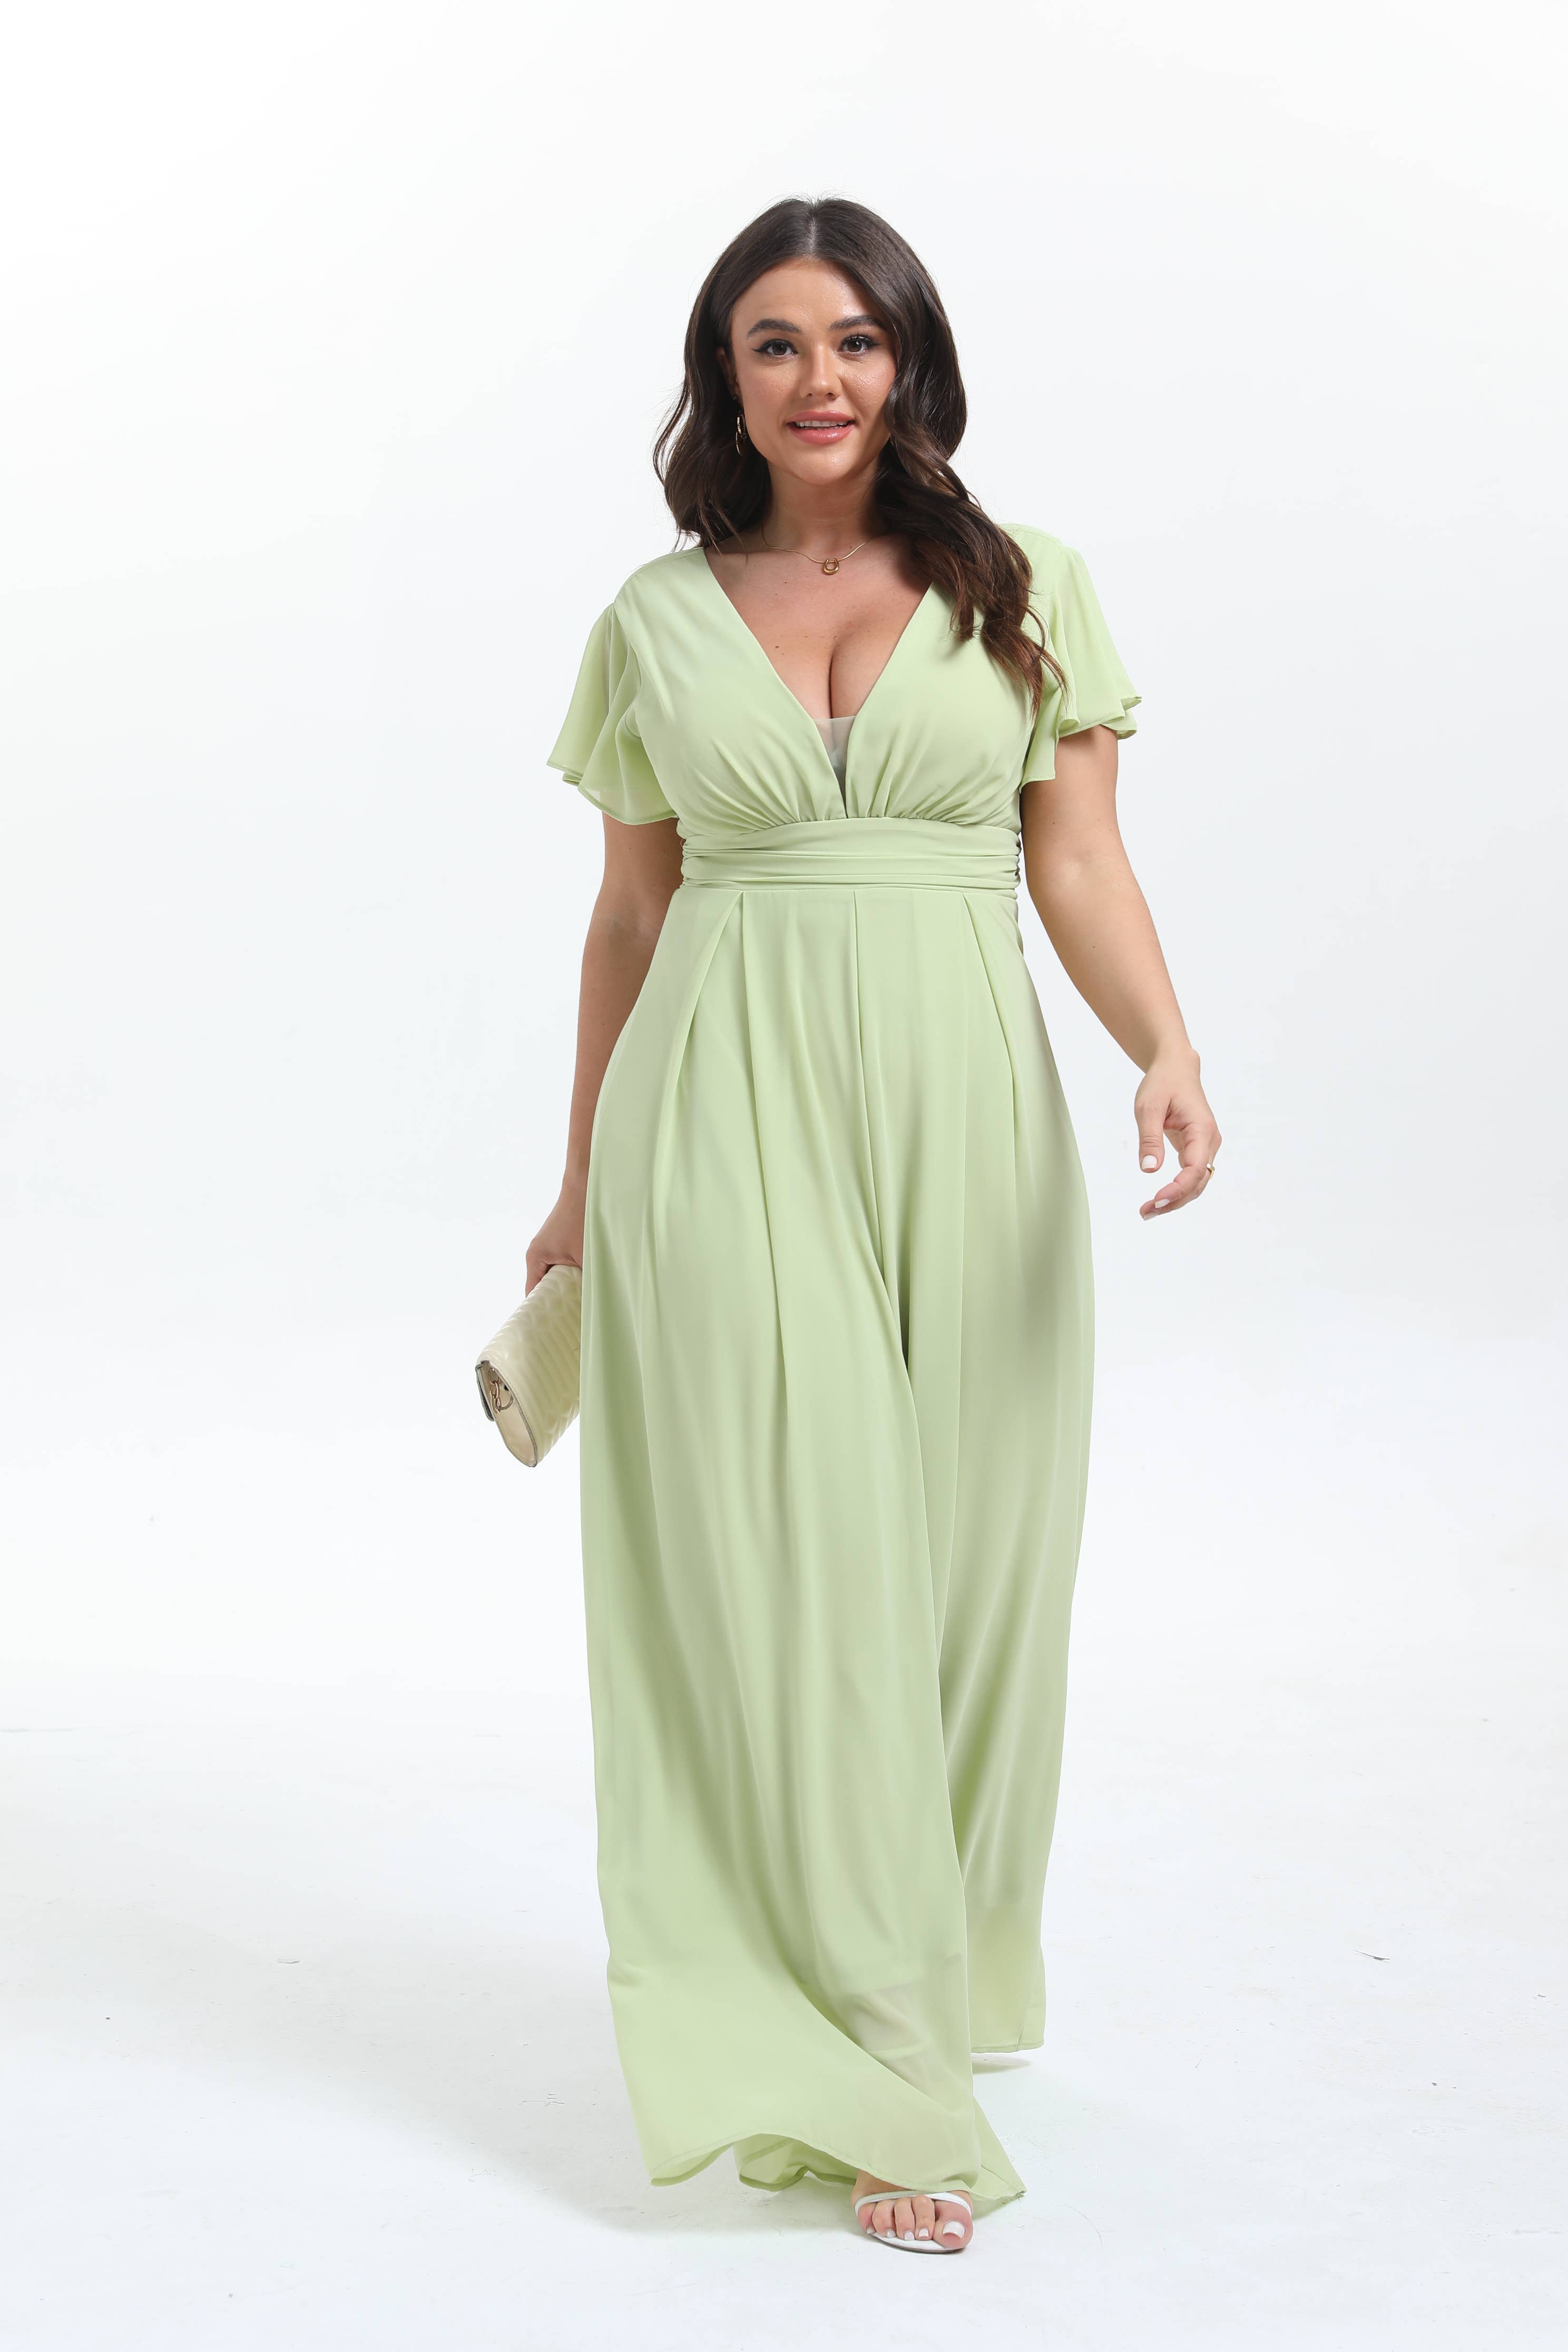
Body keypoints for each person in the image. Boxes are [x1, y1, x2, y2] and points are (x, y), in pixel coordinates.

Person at [524, 195, 1220, 2255]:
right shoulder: (656, 617)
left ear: (910, 358)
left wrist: (1165, 1046)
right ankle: (881, 2072)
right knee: (798, 1575)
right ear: (723, 379)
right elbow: (630, 914)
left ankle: (932, 1955)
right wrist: (575, 1185)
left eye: (854, 337)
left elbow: (1078, 865)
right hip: (716, 1117)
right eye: (774, 343)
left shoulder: (1025, 584)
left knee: (975, 1575)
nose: (818, 377)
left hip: (966, 1116)